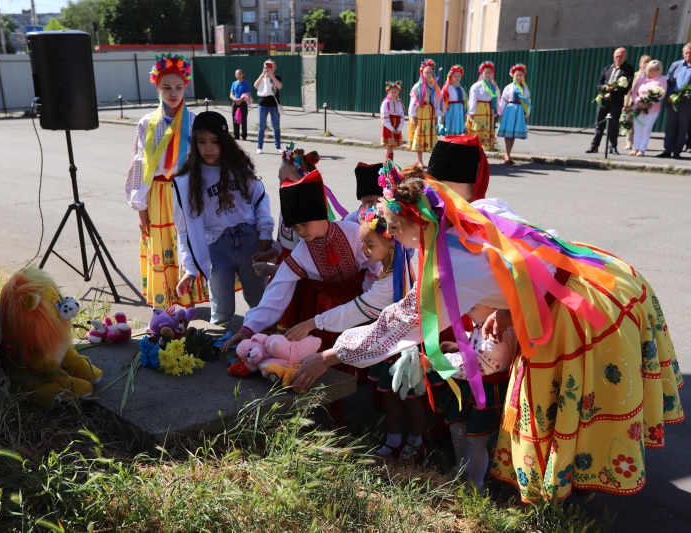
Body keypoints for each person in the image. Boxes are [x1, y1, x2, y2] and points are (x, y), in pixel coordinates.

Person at [290, 166, 683, 502]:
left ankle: (558, 497)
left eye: (395, 227)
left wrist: (328, 356)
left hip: (577, 312)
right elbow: (521, 252)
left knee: (564, 406)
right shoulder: (474, 214)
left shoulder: (449, 268)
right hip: (600, 277)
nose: (392, 235)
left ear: (420, 222)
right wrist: (506, 307)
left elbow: (395, 324)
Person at [220, 170, 375, 353]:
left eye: (304, 224)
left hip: (360, 305)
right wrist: (248, 329)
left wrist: (371, 301)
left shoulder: (353, 232)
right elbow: (276, 292)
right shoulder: (302, 253)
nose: (300, 232)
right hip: (323, 313)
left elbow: (375, 266)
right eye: (294, 226)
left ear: (320, 213)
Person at [172, 111, 274, 328]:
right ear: (195, 143)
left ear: (225, 141)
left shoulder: (239, 168)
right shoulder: (186, 181)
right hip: (216, 247)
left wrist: (265, 230)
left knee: (260, 303)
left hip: (249, 241)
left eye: (215, 141)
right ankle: (221, 356)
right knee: (221, 311)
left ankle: (263, 347)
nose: (209, 147)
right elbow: (184, 229)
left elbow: (260, 198)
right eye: (202, 142)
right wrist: (189, 268)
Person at [125, 54, 208, 309]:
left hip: (187, 190)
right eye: (166, 88)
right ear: (157, 88)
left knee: (189, 241)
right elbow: (139, 165)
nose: (173, 93)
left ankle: (188, 300)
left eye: (179, 87)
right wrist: (141, 208)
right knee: (163, 244)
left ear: (186, 87)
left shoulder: (195, 121)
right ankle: (166, 303)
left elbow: (205, 161)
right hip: (158, 194)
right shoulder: (147, 123)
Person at [435, 303, 516, 490]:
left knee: (476, 441)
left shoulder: (500, 334)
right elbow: (478, 342)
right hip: (470, 387)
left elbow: (476, 364)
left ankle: (475, 484)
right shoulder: (484, 322)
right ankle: (461, 467)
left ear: (492, 306)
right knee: (457, 428)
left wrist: (433, 363)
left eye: (475, 305)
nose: (468, 309)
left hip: (489, 391)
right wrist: (459, 345)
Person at [252, 145, 349, 279]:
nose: (282, 186)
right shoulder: (286, 210)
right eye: (280, 180)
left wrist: (272, 270)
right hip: (284, 269)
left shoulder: (311, 223)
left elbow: (308, 264)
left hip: (297, 277)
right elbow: (282, 244)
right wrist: (268, 254)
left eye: (288, 181)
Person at [587, 47, 635, 155]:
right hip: (603, 100)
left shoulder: (628, 69)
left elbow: (627, 86)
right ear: (613, 56)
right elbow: (598, 85)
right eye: (616, 56)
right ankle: (594, 146)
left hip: (616, 101)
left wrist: (614, 89)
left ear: (625, 56)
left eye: (621, 56)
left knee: (614, 125)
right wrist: (604, 87)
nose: (618, 58)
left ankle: (613, 147)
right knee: (599, 124)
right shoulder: (607, 68)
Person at [656, 43, 691, 160]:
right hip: (673, 99)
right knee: (670, 126)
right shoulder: (676, 65)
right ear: (683, 53)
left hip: (687, 101)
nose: (688, 55)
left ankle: (677, 151)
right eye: (686, 53)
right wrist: (669, 93)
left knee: (682, 127)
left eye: (690, 53)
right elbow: (668, 81)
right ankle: (667, 150)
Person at [408, 60, 443, 168]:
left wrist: (437, 115)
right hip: (420, 113)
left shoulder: (434, 86)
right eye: (426, 72)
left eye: (430, 72)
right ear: (422, 73)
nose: (428, 75)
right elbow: (413, 103)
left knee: (426, 136)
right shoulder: (417, 87)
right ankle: (418, 160)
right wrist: (413, 116)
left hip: (429, 112)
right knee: (419, 136)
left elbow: (437, 102)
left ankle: (423, 161)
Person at [629, 60, 667, 157]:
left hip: (652, 109)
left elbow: (661, 94)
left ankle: (642, 149)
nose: (652, 72)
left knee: (646, 129)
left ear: (658, 70)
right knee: (637, 129)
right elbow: (634, 93)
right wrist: (639, 101)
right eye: (650, 70)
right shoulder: (642, 79)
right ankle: (635, 148)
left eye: (655, 70)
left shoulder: (662, 79)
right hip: (638, 107)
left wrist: (649, 102)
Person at [497, 64, 532, 165]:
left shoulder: (525, 89)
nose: (518, 77)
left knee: (513, 135)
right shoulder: (509, 87)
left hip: (519, 111)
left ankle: (509, 154)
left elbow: (528, 101)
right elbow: (503, 100)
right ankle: (507, 155)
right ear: (513, 75)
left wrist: (526, 114)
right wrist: (501, 113)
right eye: (517, 75)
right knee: (508, 134)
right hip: (510, 110)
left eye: (520, 75)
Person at [467, 61, 500, 152]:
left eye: (490, 72)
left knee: (485, 136)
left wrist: (498, 111)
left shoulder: (493, 86)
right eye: (486, 72)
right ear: (481, 73)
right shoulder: (477, 86)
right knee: (477, 133)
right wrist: (472, 114)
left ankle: (481, 155)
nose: (488, 74)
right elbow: (473, 100)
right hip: (479, 111)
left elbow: (498, 99)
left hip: (488, 111)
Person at [623, 54, 651, 151]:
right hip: (632, 102)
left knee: (639, 124)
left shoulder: (651, 76)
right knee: (629, 122)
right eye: (644, 62)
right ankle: (629, 142)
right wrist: (625, 104)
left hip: (643, 103)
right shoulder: (635, 75)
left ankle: (638, 143)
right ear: (640, 64)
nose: (646, 64)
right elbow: (629, 90)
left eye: (648, 62)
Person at [254, 59, 283, 155]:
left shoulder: (277, 76)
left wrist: (272, 76)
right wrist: (263, 74)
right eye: (266, 66)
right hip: (263, 104)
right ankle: (259, 147)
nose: (268, 68)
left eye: (271, 66)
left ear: (274, 67)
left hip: (274, 104)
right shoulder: (262, 77)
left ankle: (278, 146)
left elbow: (279, 86)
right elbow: (256, 86)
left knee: (276, 126)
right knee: (262, 126)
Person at [380, 81, 406, 160]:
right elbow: (384, 117)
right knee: (389, 147)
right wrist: (391, 128)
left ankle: (390, 165)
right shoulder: (385, 103)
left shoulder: (399, 103)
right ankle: (388, 166)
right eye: (392, 92)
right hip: (388, 127)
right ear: (388, 92)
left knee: (392, 147)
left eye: (395, 92)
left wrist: (399, 128)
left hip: (396, 126)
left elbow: (401, 116)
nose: (394, 94)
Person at [440, 65, 467, 136]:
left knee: (459, 131)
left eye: (459, 76)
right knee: (450, 128)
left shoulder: (462, 88)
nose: (457, 78)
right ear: (450, 76)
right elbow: (443, 102)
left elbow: (465, 101)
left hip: (460, 111)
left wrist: (465, 113)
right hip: (450, 111)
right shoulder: (447, 88)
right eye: (455, 76)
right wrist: (442, 115)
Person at [229, 69, 251, 141]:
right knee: (235, 118)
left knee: (244, 119)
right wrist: (235, 99)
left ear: (243, 75)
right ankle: (236, 135)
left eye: (239, 74)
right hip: (235, 102)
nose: (238, 75)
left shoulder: (246, 83)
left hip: (243, 103)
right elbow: (231, 94)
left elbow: (248, 94)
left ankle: (244, 135)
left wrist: (241, 100)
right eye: (237, 74)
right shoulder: (234, 83)